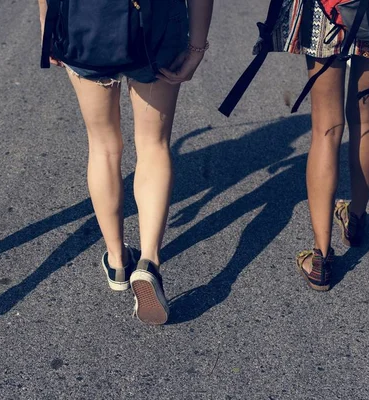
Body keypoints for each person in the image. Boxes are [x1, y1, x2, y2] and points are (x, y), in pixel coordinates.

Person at [39, 0, 214, 324]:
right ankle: (148, 262)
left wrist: (47, 25)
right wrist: (197, 45)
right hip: (157, 25)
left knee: (103, 146)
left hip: (85, 22)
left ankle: (118, 260)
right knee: (153, 146)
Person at [277, 1, 369, 291]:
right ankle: (356, 221)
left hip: (325, 12)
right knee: (365, 118)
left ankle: (321, 259)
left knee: (326, 128)